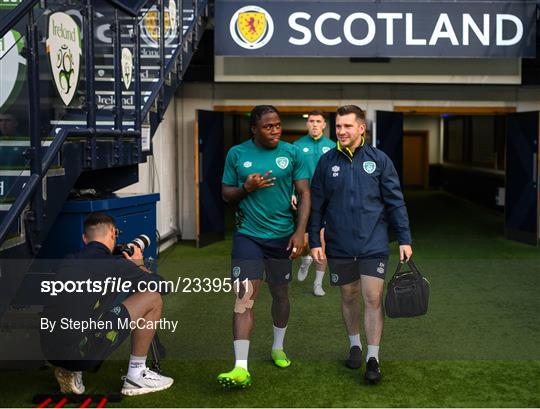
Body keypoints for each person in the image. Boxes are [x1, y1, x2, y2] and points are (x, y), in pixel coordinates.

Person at [308, 105, 412, 384]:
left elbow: (395, 201)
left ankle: (373, 357)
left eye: (347, 126)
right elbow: (316, 203)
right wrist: (312, 237)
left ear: (361, 128)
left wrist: (404, 238)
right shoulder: (327, 162)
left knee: (372, 297)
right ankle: (354, 345)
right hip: (339, 243)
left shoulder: (379, 160)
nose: (341, 131)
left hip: (373, 243)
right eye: (338, 126)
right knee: (348, 296)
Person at [218, 105, 310, 388]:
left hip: (282, 236)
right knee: (244, 298)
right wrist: (246, 188)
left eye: (278, 125)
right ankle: (240, 367)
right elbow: (225, 195)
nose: (275, 130)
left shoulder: (291, 153)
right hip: (248, 236)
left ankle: (278, 347)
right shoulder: (237, 154)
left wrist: (300, 232)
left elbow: (305, 194)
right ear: (254, 129)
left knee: (280, 294)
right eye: (268, 126)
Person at [40, 213, 174, 396]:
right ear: (113, 232)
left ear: (85, 238)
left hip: (49, 351)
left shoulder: (67, 261)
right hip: (81, 353)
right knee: (153, 297)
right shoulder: (116, 265)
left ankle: (69, 370)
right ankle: (136, 376)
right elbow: (164, 286)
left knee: (82, 308)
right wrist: (139, 265)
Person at [292, 110, 335, 296]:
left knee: (323, 241)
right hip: (304, 199)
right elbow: (290, 174)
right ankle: (305, 260)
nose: (315, 124)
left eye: (318, 121)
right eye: (311, 121)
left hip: (325, 201)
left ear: (324, 125)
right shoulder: (297, 146)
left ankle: (318, 284)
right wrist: (291, 193)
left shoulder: (333, 146)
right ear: (307, 124)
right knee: (305, 240)